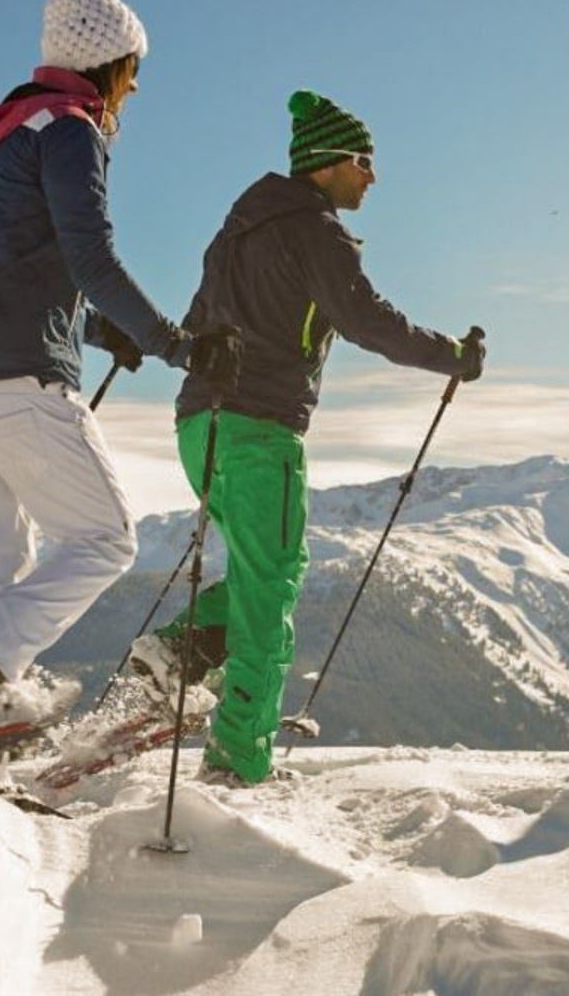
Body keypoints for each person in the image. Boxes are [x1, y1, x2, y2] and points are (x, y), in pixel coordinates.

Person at [133, 89, 484, 785]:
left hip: (197, 421)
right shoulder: (314, 229)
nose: (373, 176)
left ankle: (184, 650)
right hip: (259, 427)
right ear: (326, 162)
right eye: (364, 160)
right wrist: (453, 356)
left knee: (263, 570)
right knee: (270, 593)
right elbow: (365, 320)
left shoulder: (235, 229)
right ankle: (240, 760)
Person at [0, 0, 229, 704]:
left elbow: (17, 265)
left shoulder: (5, 133)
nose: (137, 84)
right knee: (103, 540)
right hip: (15, 376)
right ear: (107, 65)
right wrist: (173, 343)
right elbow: (92, 257)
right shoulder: (70, 130)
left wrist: (97, 331)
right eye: (132, 67)